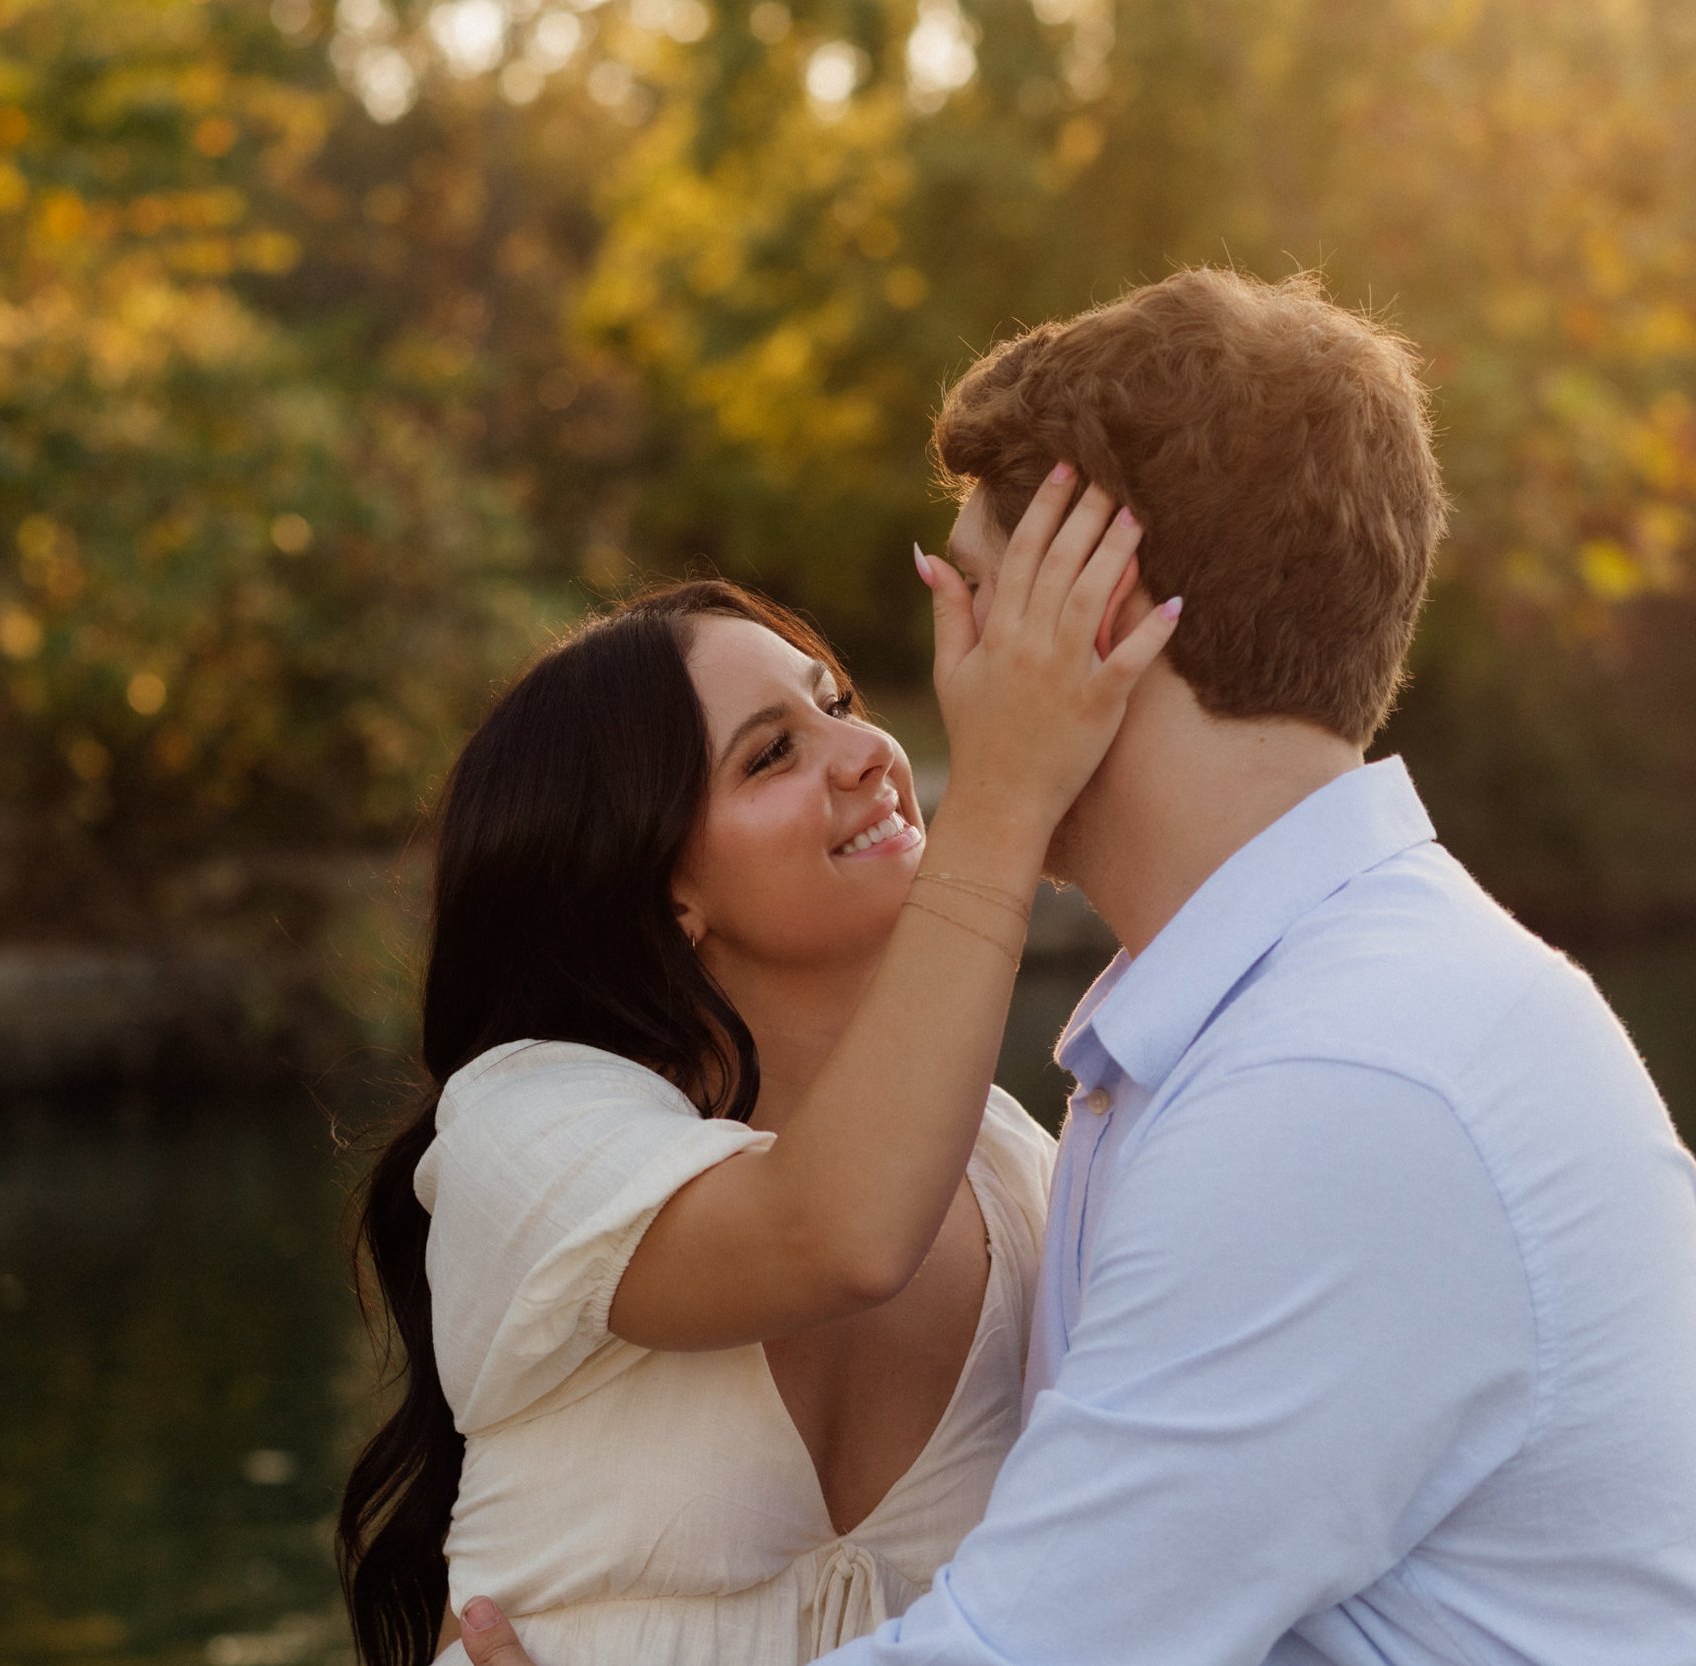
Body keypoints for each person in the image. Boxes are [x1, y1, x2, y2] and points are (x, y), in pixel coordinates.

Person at [453, 269, 1696, 1665]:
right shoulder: (1222, 1049)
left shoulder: (1342, 1078)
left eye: (976, 600)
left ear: (1086, 624)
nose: (940, 676)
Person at [334, 482, 1181, 1665]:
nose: (869, 756)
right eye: (772, 753)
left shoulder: (1013, 1171)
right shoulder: (524, 1125)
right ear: (661, 887)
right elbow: (834, 1235)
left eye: (836, 702)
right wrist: (1004, 789)